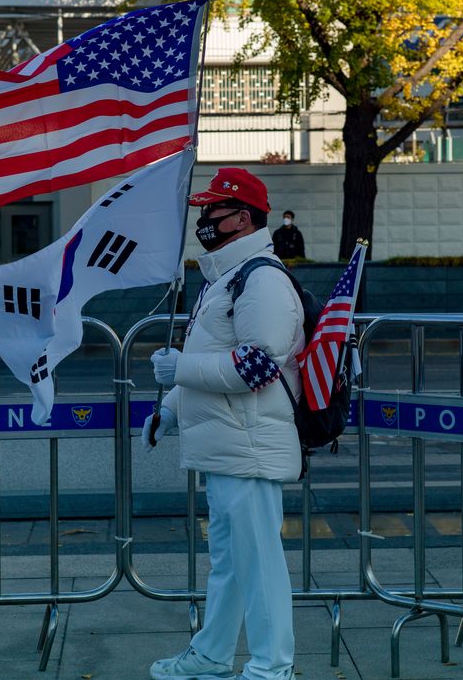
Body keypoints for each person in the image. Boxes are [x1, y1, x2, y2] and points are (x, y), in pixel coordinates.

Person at [143, 167, 302, 680]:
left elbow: (257, 366)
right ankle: (212, 656)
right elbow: (217, 358)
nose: (203, 218)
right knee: (233, 564)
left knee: (258, 565)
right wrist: (171, 406)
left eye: (212, 209)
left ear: (241, 217)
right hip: (230, 443)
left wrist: (178, 370)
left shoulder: (263, 280)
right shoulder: (229, 279)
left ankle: (271, 667)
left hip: (248, 445)